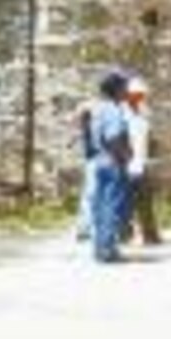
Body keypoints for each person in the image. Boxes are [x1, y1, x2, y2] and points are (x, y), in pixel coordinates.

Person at [90, 71, 131, 263]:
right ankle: (108, 249)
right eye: (124, 87)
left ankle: (100, 247)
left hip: (100, 162)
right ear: (115, 89)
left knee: (100, 205)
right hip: (113, 162)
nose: (126, 91)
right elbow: (113, 137)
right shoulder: (114, 110)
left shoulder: (98, 109)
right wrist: (123, 156)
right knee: (112, 206)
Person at [121, 77, 161, 245]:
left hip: (141, 160)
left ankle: (150, 234)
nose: (140, 97)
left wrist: (151, 155)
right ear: (128, 95)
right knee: (125, 200)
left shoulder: (144, 111)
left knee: (145, 199)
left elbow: (149, 135)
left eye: (142, 95)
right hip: (126, 161)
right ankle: (124, 233)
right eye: (137, 94)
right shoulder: (121, 111)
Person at [74, 101, 99, 242]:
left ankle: (84, 228)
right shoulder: (89, 127)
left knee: (88, 196)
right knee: (91, 195)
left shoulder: (87, 127)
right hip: (94, 161)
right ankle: (85, 228)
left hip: (91, 161)